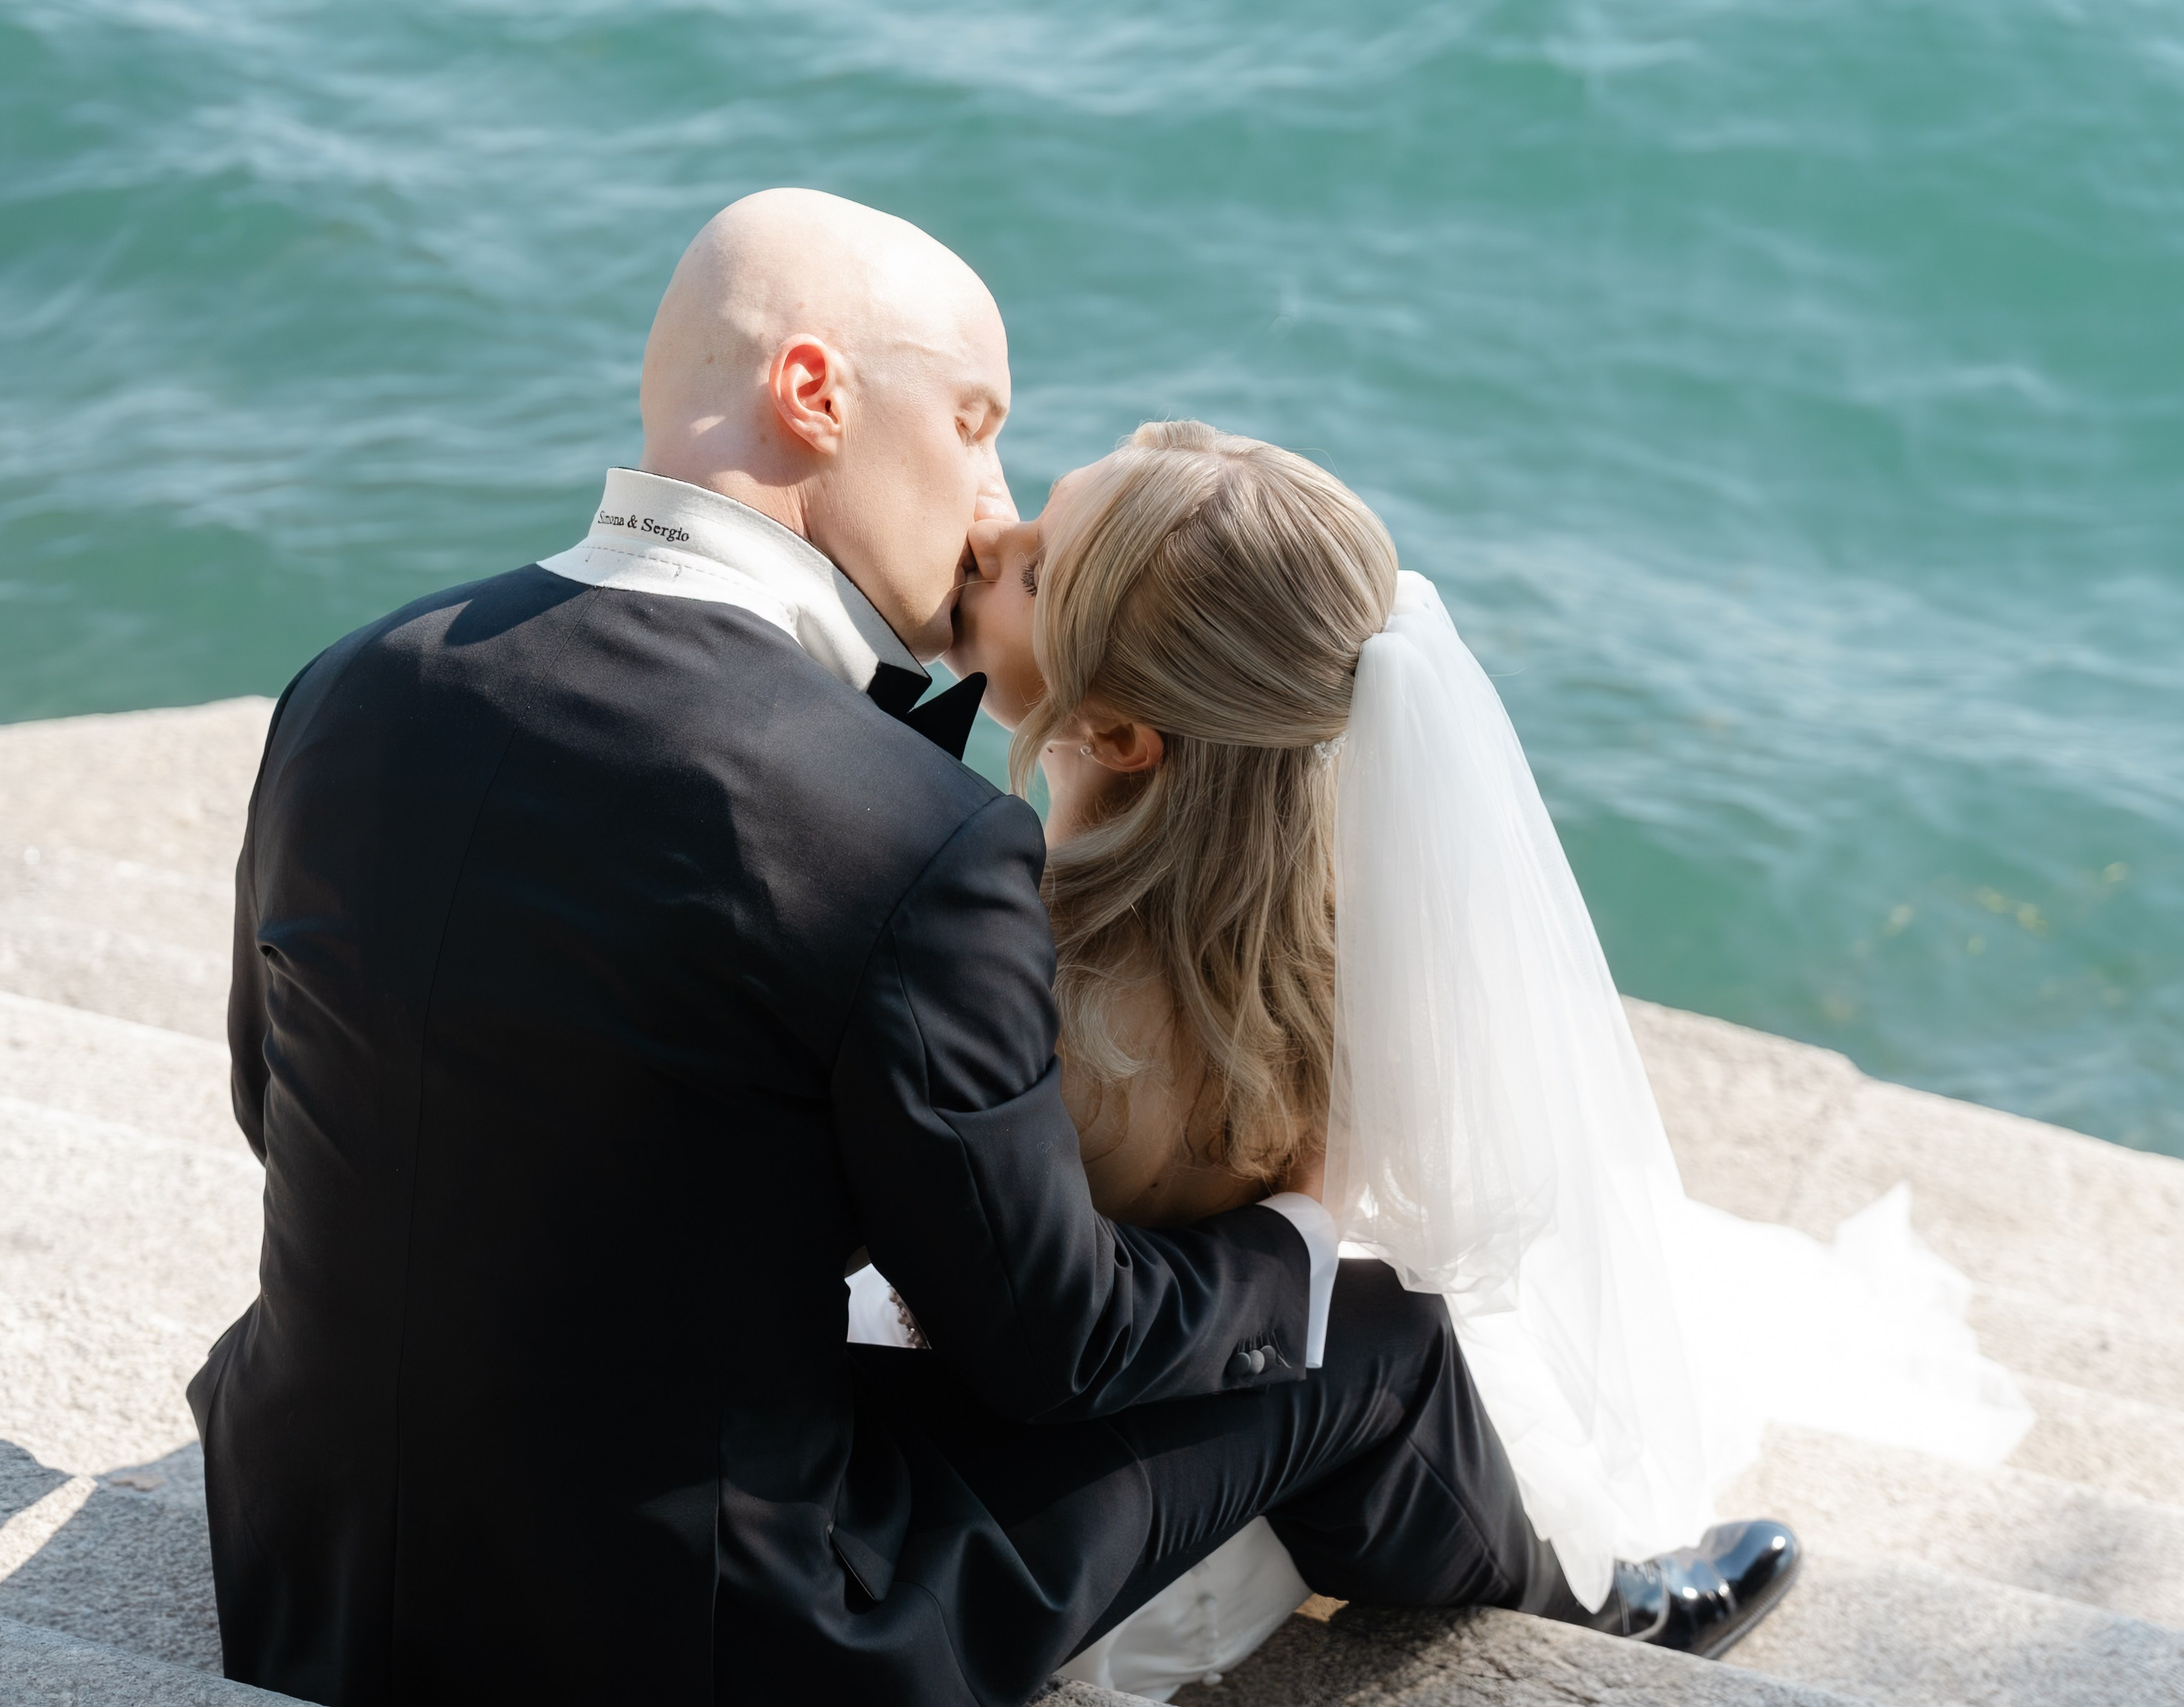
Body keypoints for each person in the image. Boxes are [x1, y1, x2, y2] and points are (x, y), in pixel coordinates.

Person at [191, 190, 1792, 1707]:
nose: (995, 502)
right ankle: (1598, 1624)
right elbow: (1055, 1343)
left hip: (293, 1557)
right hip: (695, 1644)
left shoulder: (349, 682)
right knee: (1373, 1332)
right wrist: (1298, 1236)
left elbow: (285, 1117)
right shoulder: (908, 831)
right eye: (977, 421)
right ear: (812, 392)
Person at [926, 421, 2029, 1700]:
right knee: (1386, 1330)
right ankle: (1596, 1606)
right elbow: (1323, 1239)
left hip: (1051, 1443)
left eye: (1033, 570)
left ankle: (1584, 1606)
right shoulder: (1343, 941)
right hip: (1223, 1394)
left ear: (1118, 736)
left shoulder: (1010, 953)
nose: (983, 540)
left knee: (1382, 1350)